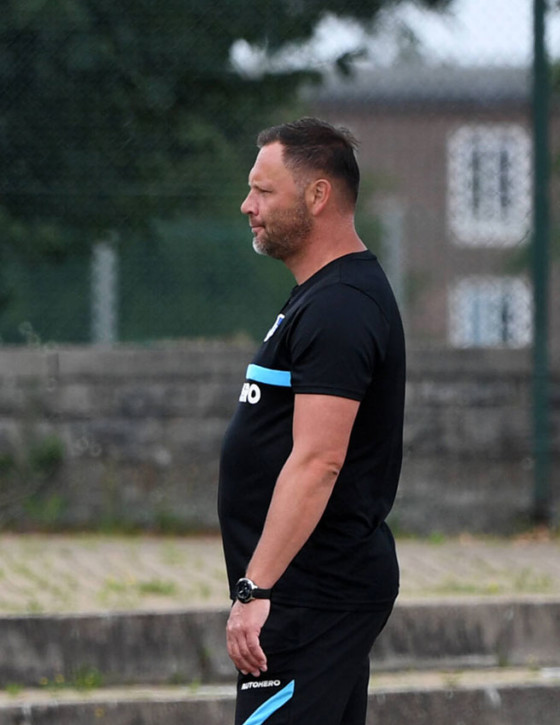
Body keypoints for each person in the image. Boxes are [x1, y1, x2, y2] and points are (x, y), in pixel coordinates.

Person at [217, 117, 405, 724]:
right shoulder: (320, 296)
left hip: (311, 595)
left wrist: (256, 589)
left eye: (263, 191)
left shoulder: (341, 307)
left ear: (317, 195)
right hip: (306, 593)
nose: (248, 205)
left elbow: (319, 460)